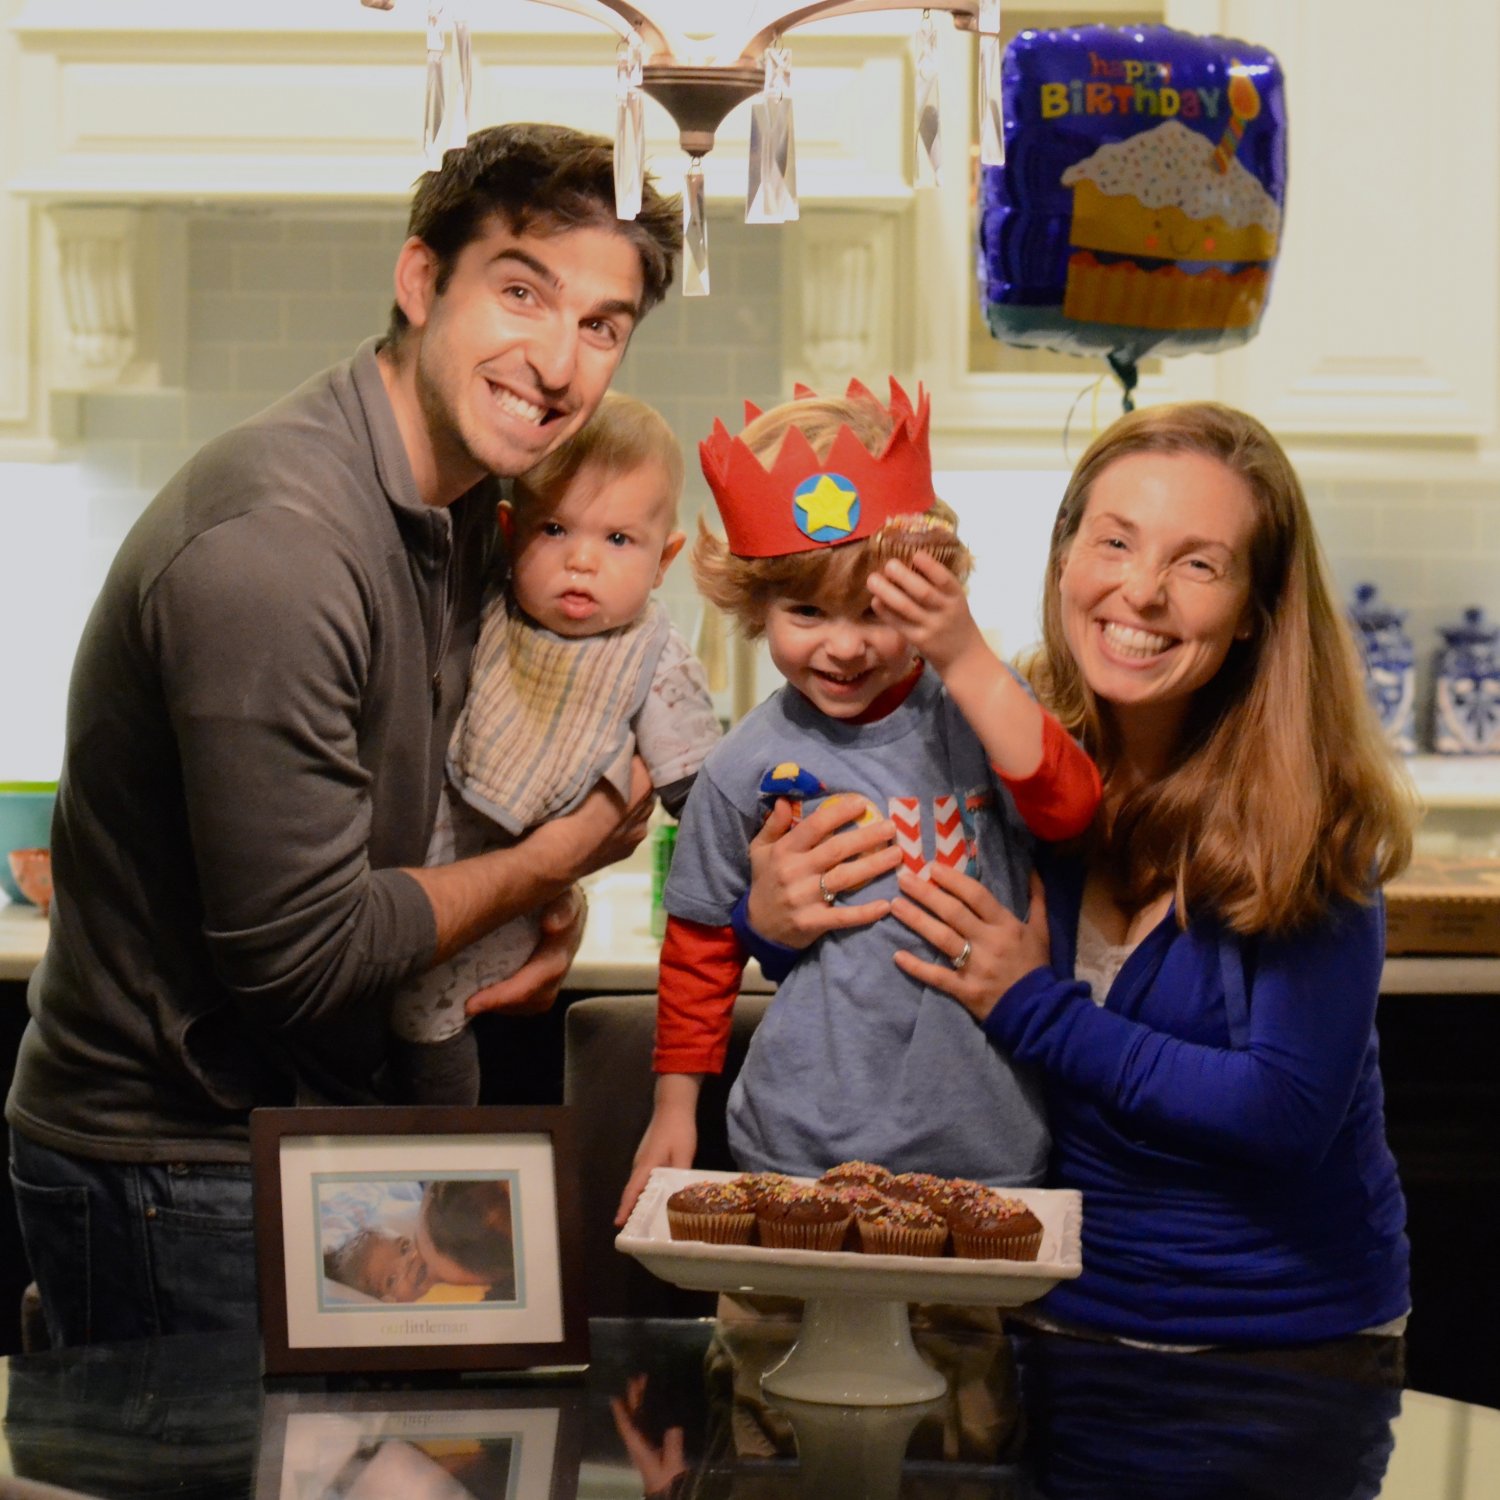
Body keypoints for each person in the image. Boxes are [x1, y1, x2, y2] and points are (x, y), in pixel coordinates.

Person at [6, 122, 680, 1347]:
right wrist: (551, 860)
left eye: (602, 323)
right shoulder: (278, 544)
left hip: (315, 1126)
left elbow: (423, 797)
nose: (557, 360)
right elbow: (303, 955)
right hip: (175, 1163)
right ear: (422, 282)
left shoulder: (467, 502)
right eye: (522, 291)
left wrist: (532, 905)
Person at [744, 400, 1416, 1349]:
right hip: (1045, 1320)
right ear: (1064, 557)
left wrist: (1033, 1008)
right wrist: (769, 921)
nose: (1141, 593)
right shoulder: (998, 746)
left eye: (1198, 563)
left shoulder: (1314, 814)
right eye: (1114, 541)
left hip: (1283, 1340)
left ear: (1258, 612)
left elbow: (1285, 1112)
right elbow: (883, 956)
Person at [617, 379, 1100, 1218]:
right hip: (794, 1152)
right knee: (772, 1349)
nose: (843, 647)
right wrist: (673, 1107)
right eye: (806, 611)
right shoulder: (742, 767)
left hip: (984, 1149)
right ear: (757, 605)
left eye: (875, 613)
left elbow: (1069, 809)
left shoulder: (980, 712)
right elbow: (700, 943)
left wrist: (964, 653)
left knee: (958, 1354)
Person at [390, 393, 719, 1104]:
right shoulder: (481, 616)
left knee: (440, 1039)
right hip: (420, 896)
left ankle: (444, 1165)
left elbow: (700, 796)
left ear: (664, 561)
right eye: (555, 529)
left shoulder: (650, 659)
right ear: (509, 532)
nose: (581, 562)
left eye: (618, 540)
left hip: (520, 918)